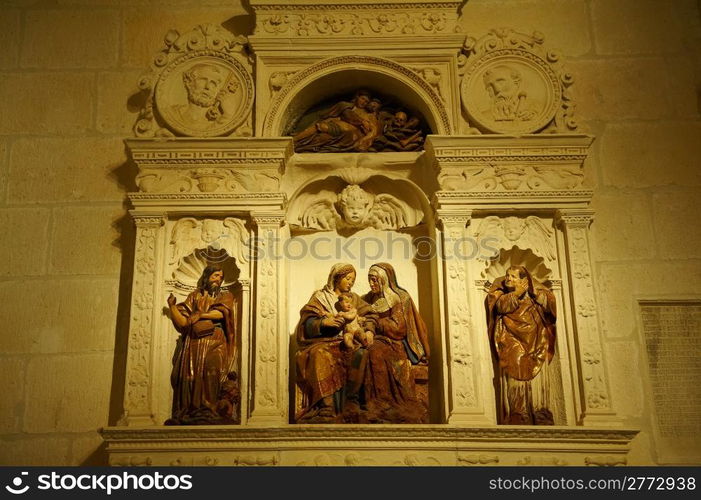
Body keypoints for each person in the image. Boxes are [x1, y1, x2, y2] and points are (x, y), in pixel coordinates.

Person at [294, 263, 376, 422]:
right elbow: (307, 323)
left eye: (353, 279)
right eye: (347, 278)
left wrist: (369, 330)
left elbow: (371, 315)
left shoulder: (354, 299)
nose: (350, 282)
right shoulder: (320, 297)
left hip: (348, 341)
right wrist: (323, 324)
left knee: (362, 353)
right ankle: (327, 406)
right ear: (337, 278)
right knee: (319, 354)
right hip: (324, 342)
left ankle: (352, 402)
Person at [166, 265, 239, 424]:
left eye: (221, 277)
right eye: (215, 276)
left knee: (211, 370)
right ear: (207, 277)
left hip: (216, 339)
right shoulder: (194, 296)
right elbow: (184, 322)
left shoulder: (225, 295)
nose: (218, 280)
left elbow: (221, 313)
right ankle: (192, 411)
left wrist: (199, 315)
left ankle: (211, 409)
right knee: (190, 375)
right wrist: (172, 307)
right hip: (194, 342)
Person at [485, 265, 557, 425]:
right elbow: (499, 306)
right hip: (511, 340)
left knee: (537, 379)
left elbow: (551, 306)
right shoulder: (500, 293)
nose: (508, 279)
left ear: (525, 280)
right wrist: (516, 294)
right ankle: (518, 413)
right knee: (514, 372)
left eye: (513, 276)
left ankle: (540, 412)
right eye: (507, 275)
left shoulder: (537, 293)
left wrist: (535, 294)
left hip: (536, 340)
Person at [361, 263, 430, 423]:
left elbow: (399, 329)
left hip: (395, 343)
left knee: (375, 352)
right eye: (370, 280)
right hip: (373, 340)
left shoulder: (398, 298)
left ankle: (383, 403)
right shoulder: (368, 299)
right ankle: (364, 402)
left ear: (384, 281)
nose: (371, 284)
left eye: (375, 280)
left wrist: (377, 323)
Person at [293, 90, 374, 153]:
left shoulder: (366, 114)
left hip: (349, 133)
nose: (363, 102)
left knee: (322, 129)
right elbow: (347, 115)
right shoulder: (345, 105)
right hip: (338, 127)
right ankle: (295, 140)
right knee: (320, 132)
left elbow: (369, 129)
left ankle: (296, 141)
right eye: (362, 99)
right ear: (357, 97)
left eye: (366, 101)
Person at [169, 63, 235, 131]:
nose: (207, 87)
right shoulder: (172, 113)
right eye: (203, 80)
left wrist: (227, 114)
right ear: (189, 82)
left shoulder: (219, 119)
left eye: (213, 83)